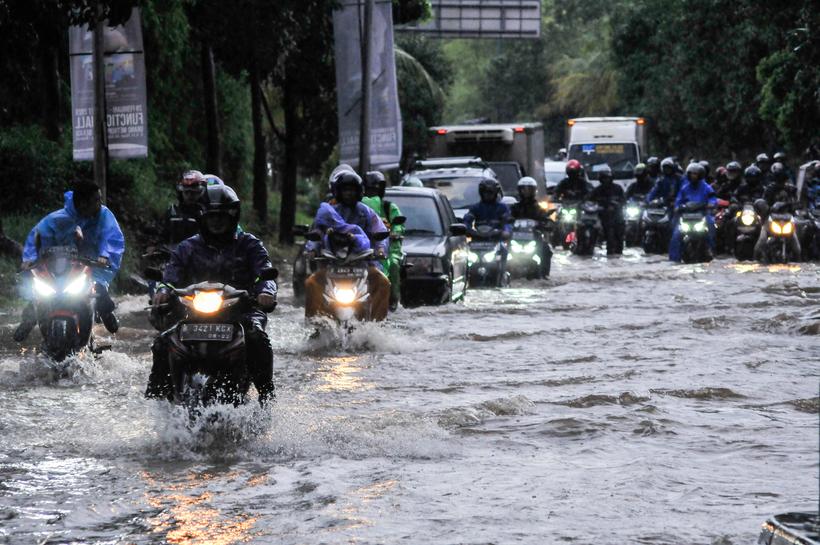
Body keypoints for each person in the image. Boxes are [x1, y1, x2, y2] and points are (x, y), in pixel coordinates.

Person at [145, 184, 278, 405]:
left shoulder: (249, 245)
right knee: (163, 341)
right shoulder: (187, 247)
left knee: (256, 338)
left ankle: (267, 396)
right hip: (193, 313)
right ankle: (158, 399)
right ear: (202, 217)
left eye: (222, 216)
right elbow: (170, 275)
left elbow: (265, 273)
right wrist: (162, 291)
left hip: (240, 312)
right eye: (211, 216)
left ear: (233, 216)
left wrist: (266, 292)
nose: (216, 221)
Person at [15, 181, 124, 341]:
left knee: (98, 289)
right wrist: (30, 258)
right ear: (82, 203)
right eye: (96, 200)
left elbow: (112, 237)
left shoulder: (105, 216)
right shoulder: (58, 218)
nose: (100, 204)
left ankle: (106, 311)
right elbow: (36, 235)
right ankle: (29, 319)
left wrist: (105, 255)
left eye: (99, 199)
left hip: (91, 265)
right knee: (37, 291)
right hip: (59, 265)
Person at [304, 170, 391, 321]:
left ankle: (377, 325)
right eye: (345, 190)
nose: (348, 193)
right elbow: (317, 232)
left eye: (352, 190)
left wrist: (381, 248)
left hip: (363, 263)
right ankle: (315, 325)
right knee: (311, 283)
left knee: (383, 283)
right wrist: (312, 249)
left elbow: (380, 231)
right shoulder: (329, 212)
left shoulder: (366, 212)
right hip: (332, 264)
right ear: (338, 191)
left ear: (358, 191)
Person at [362, 170, 405, 311]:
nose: (373, 192)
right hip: (363, 247)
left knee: (393, 264)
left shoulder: (389, 207)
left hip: (387, 248)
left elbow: (398, 223)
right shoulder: (357, 208)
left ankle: (392, 299)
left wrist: (395, 232)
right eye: (370, 189)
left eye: (377, 189)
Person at [464, 177, 513, 285]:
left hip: (496, 240)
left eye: (491, 192)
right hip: (477, 241)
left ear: (496, 193)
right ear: (481, 193)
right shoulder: (475, 208)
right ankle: (466, 278)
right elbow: (467, 219)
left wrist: (506, 231)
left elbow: (508, 222)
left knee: (505, 250)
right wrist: (466, 229)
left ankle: (502, 275)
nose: (488, 195)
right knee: (464, 255)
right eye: (485, 192)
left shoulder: (502, 208)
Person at [668, 162, 717, 262]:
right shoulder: (685, 188)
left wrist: (710, 204)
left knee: (711, 224)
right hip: (687, 216)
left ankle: (711, 250)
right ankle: (674, 258)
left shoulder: (706, 187)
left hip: (702, 214)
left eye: (695, 174)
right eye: (691, 174)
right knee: (676, 234)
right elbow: (678, 200)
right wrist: (678, 207)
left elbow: (712, 198)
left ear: (700, 175)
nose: (693, 176)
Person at [510, 176, 553, 278]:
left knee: (546, 251)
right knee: (502, 251)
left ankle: (544, 274)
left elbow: (547, 220)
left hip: (534, 238)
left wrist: (546, 224)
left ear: (534, 191)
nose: (526, 192)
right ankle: (501, 272)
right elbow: (506, 218)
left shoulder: (538, 208)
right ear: (520, 190)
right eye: (524, 189)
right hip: (515, 238)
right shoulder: (515, 207)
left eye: (529, 190)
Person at [160, 170, 207, 245]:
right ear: (181, 192)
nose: (189, 195)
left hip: (198, 254)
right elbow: (162, 234)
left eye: (194, 192)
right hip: (173, 254)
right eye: (186, 192)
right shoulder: (172, 211)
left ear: (201, 192)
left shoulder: (205, 213)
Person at [589, 165, 626, 255]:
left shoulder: (618, 188)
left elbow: (624, 200)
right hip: (602, 217)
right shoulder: (597, 190)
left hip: (617, 217)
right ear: (601, 179)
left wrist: (616, 205)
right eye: (604, 178)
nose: (606, 180)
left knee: (619, 237)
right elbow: (589, 200)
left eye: (608, 178)